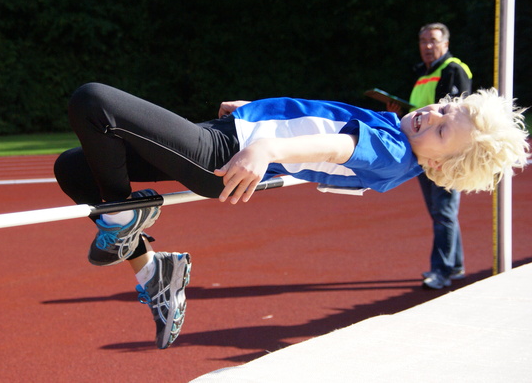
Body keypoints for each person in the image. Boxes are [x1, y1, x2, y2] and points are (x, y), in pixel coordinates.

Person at [54, 82, 528, 349]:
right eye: (445, 108)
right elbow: (319, 117)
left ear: (441, 165)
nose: (433, 115)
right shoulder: (400, 131)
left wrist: (266, 144)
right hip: (236, 133)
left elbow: (331, 145)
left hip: (227, 154)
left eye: (443, 130)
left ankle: (122, 226)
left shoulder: (391, 150)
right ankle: (155, 271)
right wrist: (256, 112)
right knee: (75, 170)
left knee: (93, 102)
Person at [387, 23, 472, 290]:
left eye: (433, 41)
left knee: (443, 212)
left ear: (446, 44)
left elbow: (457, 119)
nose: (427, 46)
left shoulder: (453, 70)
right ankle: (454, 265)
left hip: (443, 155)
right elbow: (421, 112)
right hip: (425, 152)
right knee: (441, 212)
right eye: (423, 40)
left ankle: (442, 271)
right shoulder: (424, 73)